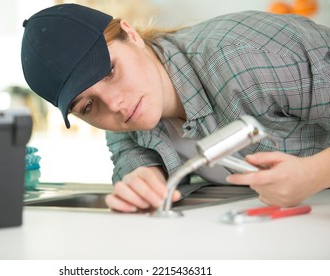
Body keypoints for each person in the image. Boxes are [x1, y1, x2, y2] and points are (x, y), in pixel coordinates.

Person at [21, 3, 330, 213]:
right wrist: (139, 181)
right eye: (88, 106)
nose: (114, 104)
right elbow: (130, 157)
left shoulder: (247, 54)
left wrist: (315, 174)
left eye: (110, 71)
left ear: (131, 34)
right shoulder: (128, 123)